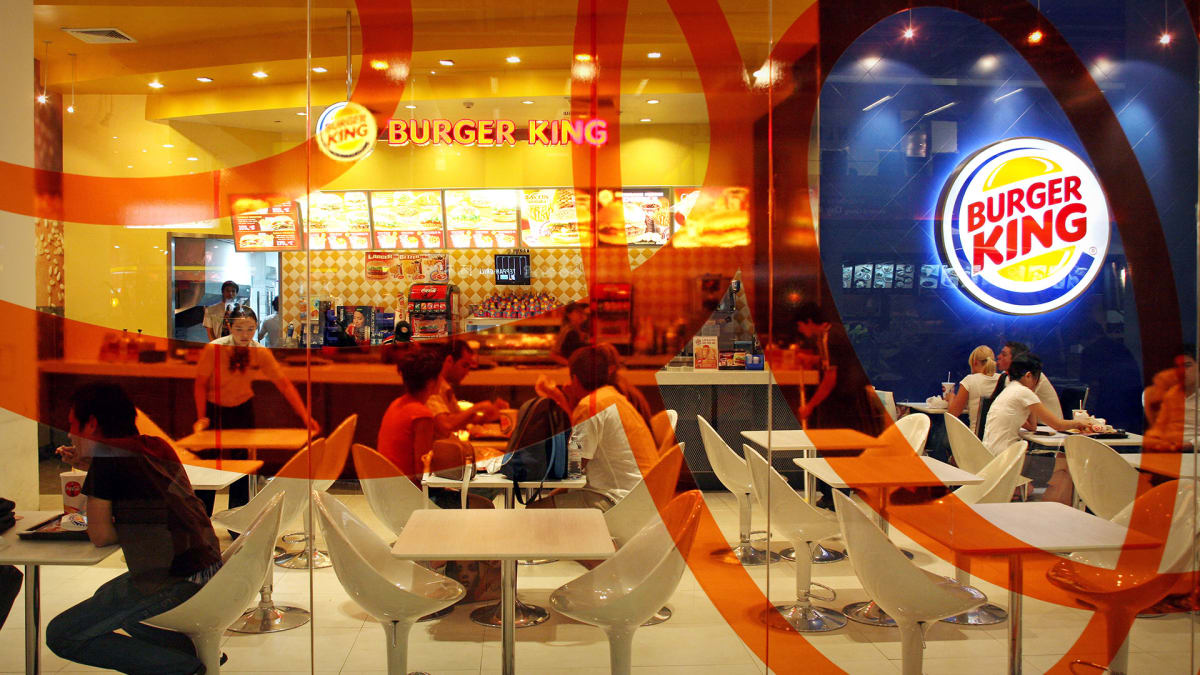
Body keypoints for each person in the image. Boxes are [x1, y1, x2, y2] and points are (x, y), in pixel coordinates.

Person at [46, 383, 221, 675]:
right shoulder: (155, 445)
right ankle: (187, 651)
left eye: (73, 424)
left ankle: (184, 668)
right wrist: (90, 464)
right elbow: (143, 483)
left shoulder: (107, 461)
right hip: (209, 567)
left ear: (92, 424)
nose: (69, 434)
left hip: (175, 577)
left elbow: (100, 535)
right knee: (107, 597)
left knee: (61, 634)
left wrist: (125, 523)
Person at [193, 305, 319, 515]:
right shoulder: (215, 349)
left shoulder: (259, 351)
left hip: (243, 409)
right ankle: (201, 520)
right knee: (208, 467)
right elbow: (200, 384)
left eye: (250, 329)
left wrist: (304, 415)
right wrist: (201, 417)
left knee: (243, 467)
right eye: (239, 329)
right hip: (215, 409)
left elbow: (284, 384)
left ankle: (238, 522)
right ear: (229, 327)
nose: (245, 335)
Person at [528, 346, 658, 511]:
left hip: (622, 502)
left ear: (575, 379)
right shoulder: (612, 397)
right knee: (552, 498)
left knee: (533, 511)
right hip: (647, 495)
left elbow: (573, 468)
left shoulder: (590, 405)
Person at [378, 345, 492, 509]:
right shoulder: (421, 414)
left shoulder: (396, 404)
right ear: (432, 382)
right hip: (412, 499)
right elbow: (423, 472)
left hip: (388, 493)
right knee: (483, 502)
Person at [983, 354, 1088, 504]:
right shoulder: (1023, 392)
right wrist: (1080, 423)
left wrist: (1033, 397)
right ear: (1028, 375)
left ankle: (1050, 512)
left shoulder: (1009, 390)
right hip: (1008, 459)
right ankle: (1055, 513)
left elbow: (1032, 426)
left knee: (1062, 473)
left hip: (993, 456)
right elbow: (1057, 425)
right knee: (1067, 464)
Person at [427, 340, 506, 438]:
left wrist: (489, 415)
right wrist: (478, 407)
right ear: (449, 361)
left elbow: (459, 419)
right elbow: (446, 425)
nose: (467, 372)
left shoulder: (446, 388)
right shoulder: (432, 387)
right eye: (464, 365)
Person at [1143, 348, 1198, 451]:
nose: (1182, 371)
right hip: (1170, 449)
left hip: (1194, 452)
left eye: (1187, 366)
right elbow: (1160, 426)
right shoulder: (1172, 394)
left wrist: (1191, 444)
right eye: (1178, 367)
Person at [997, 341, 1063, 422]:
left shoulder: (1030, 376)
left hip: (1046, 426)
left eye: (1004, 355)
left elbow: (1025, 418)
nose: (998, 357)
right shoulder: (1007, 376)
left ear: (1016, 359)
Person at [946, 345, 1002, 435]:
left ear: (975, 363)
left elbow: (952, 414)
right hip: (999, 437)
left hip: (977, 438)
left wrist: (951, 397)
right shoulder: (1003, 379)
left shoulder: (970, 380)